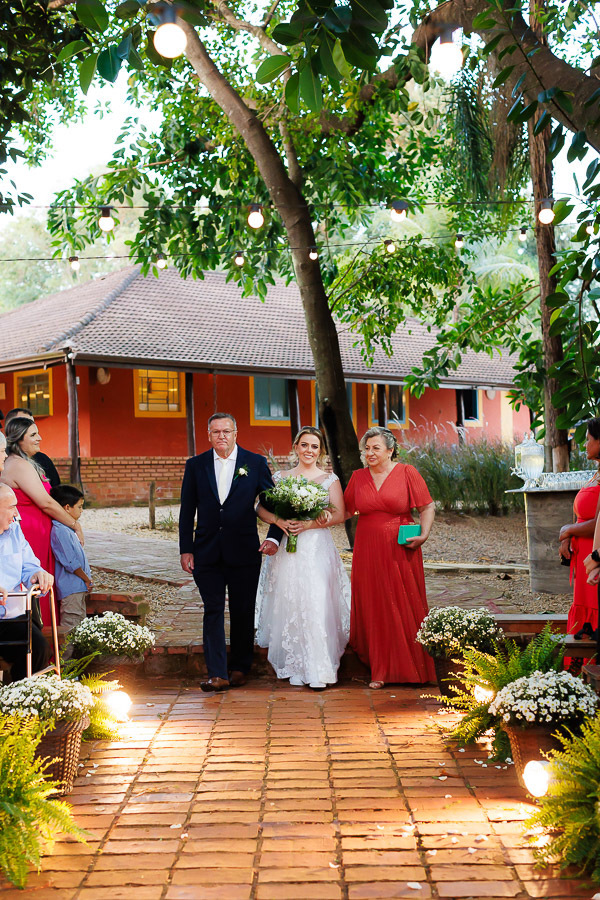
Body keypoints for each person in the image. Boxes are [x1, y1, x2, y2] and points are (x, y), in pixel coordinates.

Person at [179, 413, 282, 692]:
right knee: (212, 609)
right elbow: (187, 510)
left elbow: (273, 504)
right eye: (216, 432)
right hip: (206, 551)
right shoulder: (196, 465)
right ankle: (216, 673)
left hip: (244, 549)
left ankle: (239, 667)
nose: (221, 436)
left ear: (236, 433)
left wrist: (273, 538)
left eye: (226, 431)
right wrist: (186, 549)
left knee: (242, 610)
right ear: (208, 435)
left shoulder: (255, 463)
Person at [255, 426, 351, 690]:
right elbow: (261, 507)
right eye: (305, 445)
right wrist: (280, 521)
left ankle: (319, 668)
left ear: (321, 452)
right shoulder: (280, 477)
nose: (309, 451)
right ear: (296, 446)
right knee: (290, 600)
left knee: (317, 600)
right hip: (288, 550)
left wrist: (310, 524)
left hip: (317, 548)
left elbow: (339, 514)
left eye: (315, 447)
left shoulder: (329, 479)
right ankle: (296, 664)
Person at [343, 426, 436, 688]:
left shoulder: (407, 473)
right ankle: (380, 670)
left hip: (401, 548)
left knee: (404, 602)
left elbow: (427, 506)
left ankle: (414, 669)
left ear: (390, 450)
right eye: (366, 449)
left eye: (376, 448)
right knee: (374, 605)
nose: (370, 453)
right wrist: (310, 519)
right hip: (368, 550)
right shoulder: (358, 477)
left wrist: (424, 534)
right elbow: (344, 511)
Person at [0, 417, 83, 625]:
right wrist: (74, 525)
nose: (40, 438)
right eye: (33, 435)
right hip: (31, 533)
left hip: (39, 532)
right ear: (19, 440)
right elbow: (45, 502)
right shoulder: (18, 465)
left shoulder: (26, 463)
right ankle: (42, 637)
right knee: (38, 582)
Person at [0, 483, 52, 681]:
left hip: (13, 617)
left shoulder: (14, 530)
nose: (16, 513)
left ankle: (17, 698)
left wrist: (37, 574)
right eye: (11, 507)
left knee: (38, 648)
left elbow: (28, 565)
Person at [560, 420, 600, 657]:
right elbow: (582, 516)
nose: (584, 444)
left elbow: (599, 524)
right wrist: (567, 534)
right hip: (584, 561)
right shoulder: (597, 473)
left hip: (595, 560)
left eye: (588, 439)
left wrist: (568, 530)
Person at [49, 484, 92, 631]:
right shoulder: (60, 531)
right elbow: (70, 562)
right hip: (71, 589)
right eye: (79, 507)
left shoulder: (67, 529)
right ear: (67, 507)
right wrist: (86, 578)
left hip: (78, 586)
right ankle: (65, 655)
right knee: (71, 628)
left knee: (80, 626)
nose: (81, 511)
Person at [4, 408, 61, 488]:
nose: (29, 426)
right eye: (22, 423)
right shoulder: (4, 460)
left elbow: (56, 489)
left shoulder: (43, 459)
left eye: (31, 423)